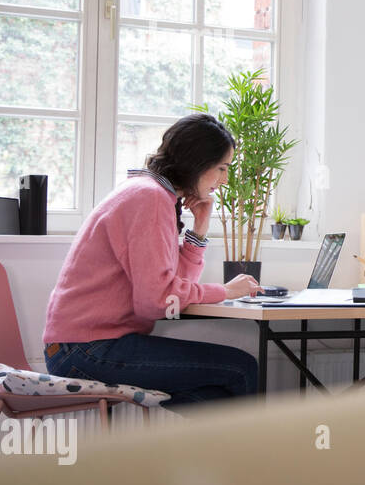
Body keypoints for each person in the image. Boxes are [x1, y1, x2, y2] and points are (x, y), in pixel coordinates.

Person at [42, 113, 263, 411]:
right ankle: (252, 457)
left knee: (217, 395)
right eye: (222, 168)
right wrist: (226, 291)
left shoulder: (152, 194)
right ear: (197, 162)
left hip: (82, 346)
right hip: (84, 349)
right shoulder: (149, 198)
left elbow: (174, 288)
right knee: (240, 369)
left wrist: (199, 229)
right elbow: (158, 302)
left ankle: (209, 457)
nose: (224, 180)